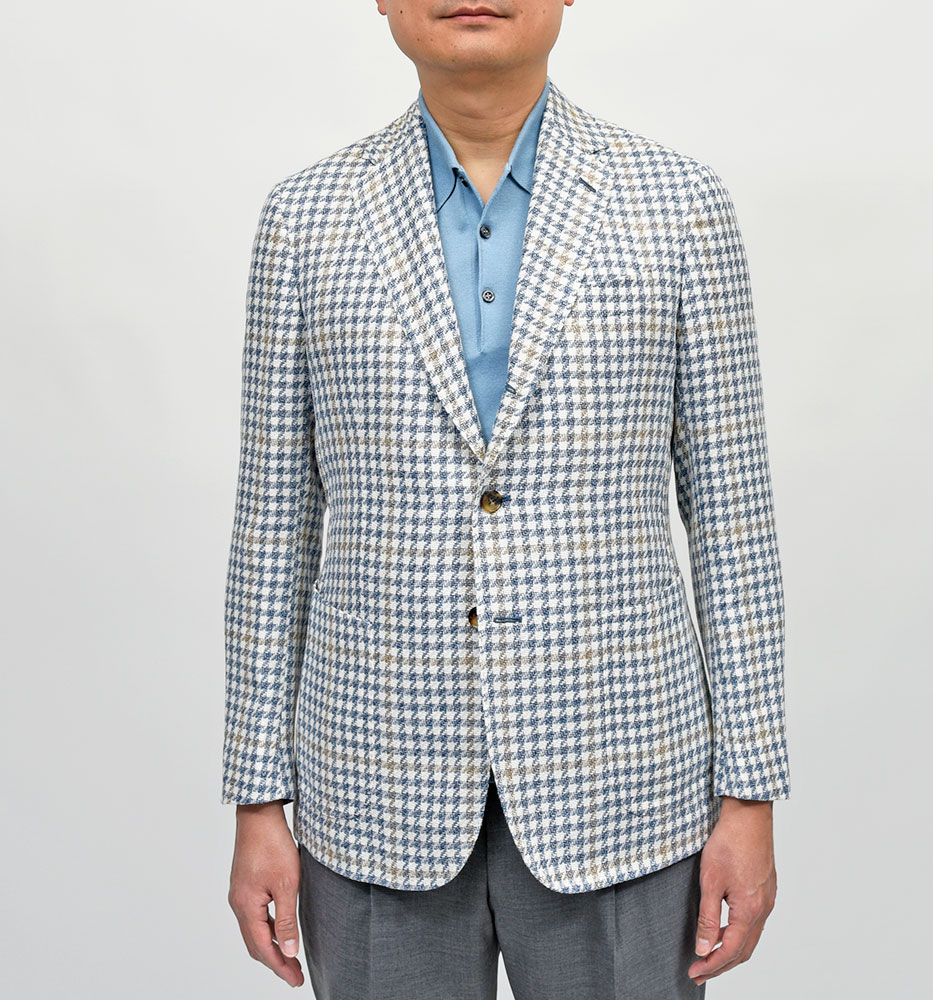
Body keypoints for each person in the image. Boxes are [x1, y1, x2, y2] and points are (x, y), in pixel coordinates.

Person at [221, 2, 791, 997]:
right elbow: (272, 529)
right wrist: (257, 797)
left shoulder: (679, 207)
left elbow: (733, 521)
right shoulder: (305, 219)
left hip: (624, 785)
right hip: (373, 788)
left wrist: (750, 790)